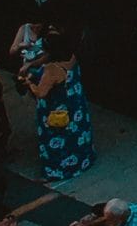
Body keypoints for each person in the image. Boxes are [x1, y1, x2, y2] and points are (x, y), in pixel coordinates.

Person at [24, 28, 93, 182]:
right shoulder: (72, 58)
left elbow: (41, 92)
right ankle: (82, 161)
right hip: (74, 106)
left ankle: (57, 170)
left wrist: (29, 83)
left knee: (58, 139)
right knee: (76, 134)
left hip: (57, 109)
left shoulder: (51, 70)